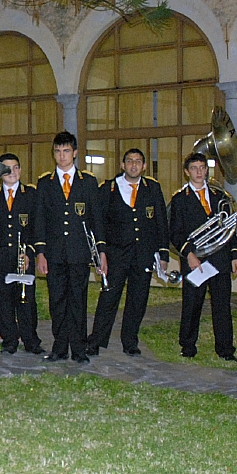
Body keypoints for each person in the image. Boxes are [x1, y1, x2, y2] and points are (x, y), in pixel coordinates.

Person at [33, 130, 108, 364]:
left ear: (75, 153)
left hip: (78, 253)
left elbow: (96, 219)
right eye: (57, 151)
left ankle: (78, 347)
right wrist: (40, 253)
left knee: (78, 299)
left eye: (66, 151)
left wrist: (101, 252)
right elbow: (40, 220)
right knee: (57, 300)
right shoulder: (46, 183)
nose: (62, 156)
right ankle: (59, 347)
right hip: (54, 253)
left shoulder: (88, 182)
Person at [87, 148, 169, 357]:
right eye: (130, 161)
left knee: (138, 300)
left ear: (144, 166)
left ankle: (130, 341)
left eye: (138, 161)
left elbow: (161, 222)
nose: (134, 165)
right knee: (108, 298)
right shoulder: (108, 188)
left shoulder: (153, 188)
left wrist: (163, 254)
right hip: (115, 256)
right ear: (122, 165)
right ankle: (95, 340)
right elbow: (99, 223)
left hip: (143, 255)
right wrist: (101, 252)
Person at [167, 151, 237, 361]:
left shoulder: (220, 197)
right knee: (192, 305)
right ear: (186, 172)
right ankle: (188, 346)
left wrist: (235, 254)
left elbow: (229, 229)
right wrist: (189, 254)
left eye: (202, 168)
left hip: (220, 259)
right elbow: (175, 232)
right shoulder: (180, 199)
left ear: (207, 170)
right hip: (194, 261)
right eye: (194, 168)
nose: (199, 172)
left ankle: (226, 350)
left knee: (222, 307)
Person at [0, 153, 43, 356]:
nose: (13, 172)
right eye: (7, 169)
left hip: (23, 257)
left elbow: (37, 227)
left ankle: (30, 340)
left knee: (26, 299)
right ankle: (9, 340)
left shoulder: (31, 195)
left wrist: (29, 252)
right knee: (3, 300)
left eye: (16, 167)